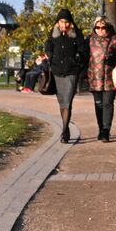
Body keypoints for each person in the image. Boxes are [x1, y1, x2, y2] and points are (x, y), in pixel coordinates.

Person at [45, 8, 89, 143]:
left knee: (68, 102)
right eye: (61, 22)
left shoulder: (76, 34)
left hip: (71, 72)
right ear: (57, 23)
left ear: (71, 23)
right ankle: (66, 128)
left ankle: (64, 132)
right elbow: (48, 47)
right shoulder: (53, 35)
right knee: (62, 102)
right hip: (57, 72)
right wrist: (50, 56)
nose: (64, 25)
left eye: (66, 22)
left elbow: (84, 50)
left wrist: (77, 57)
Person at [87, 17, 116, 142]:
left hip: (110, 78)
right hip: (94, 77)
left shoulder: (115, 39)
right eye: (98, 27)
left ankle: (106, 130)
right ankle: (100, 128)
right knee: (98, 105)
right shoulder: (89, 40)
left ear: (108, 27)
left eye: (103, 27)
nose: (101, 30)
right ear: (94, 28)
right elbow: (84, 56)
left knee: (108, 104)